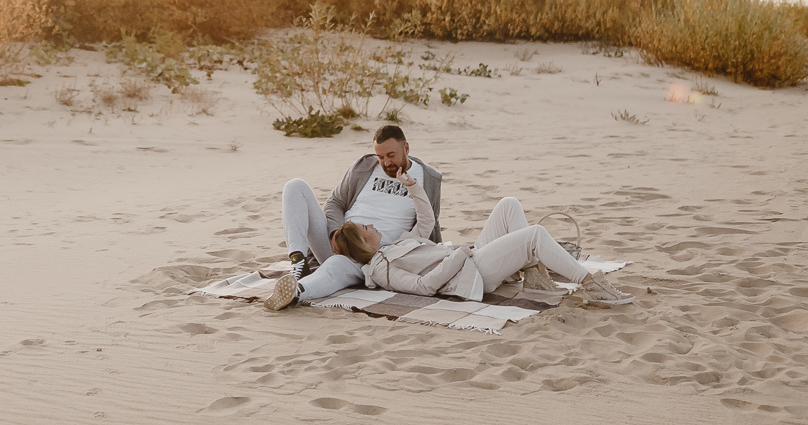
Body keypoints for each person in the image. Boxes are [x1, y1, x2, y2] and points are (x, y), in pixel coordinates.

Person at [267, 164, 634, 310]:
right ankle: (590, 283)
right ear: (364, 245)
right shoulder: (381, 269)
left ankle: (535, 275)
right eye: (367, 229)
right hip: (469, 271)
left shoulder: (395, 244)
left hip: (467, 257)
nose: (373, 226)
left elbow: (426, 222)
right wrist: (458, 254)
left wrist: (414, 188)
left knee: (508, 205)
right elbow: (426, 287)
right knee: (534, 234)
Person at [267, 125, 442, 309]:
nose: (386, 163)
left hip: (374, 259)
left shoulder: (427, 178)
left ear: (406, 148)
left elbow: (430, 221)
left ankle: (296, 292)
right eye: (380, 157)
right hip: (338, 242)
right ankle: (298, 263)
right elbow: (335, 202)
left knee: (338, 264)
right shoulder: (364, 166)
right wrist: (335, 233)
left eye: (391, 155)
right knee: (295, 186)